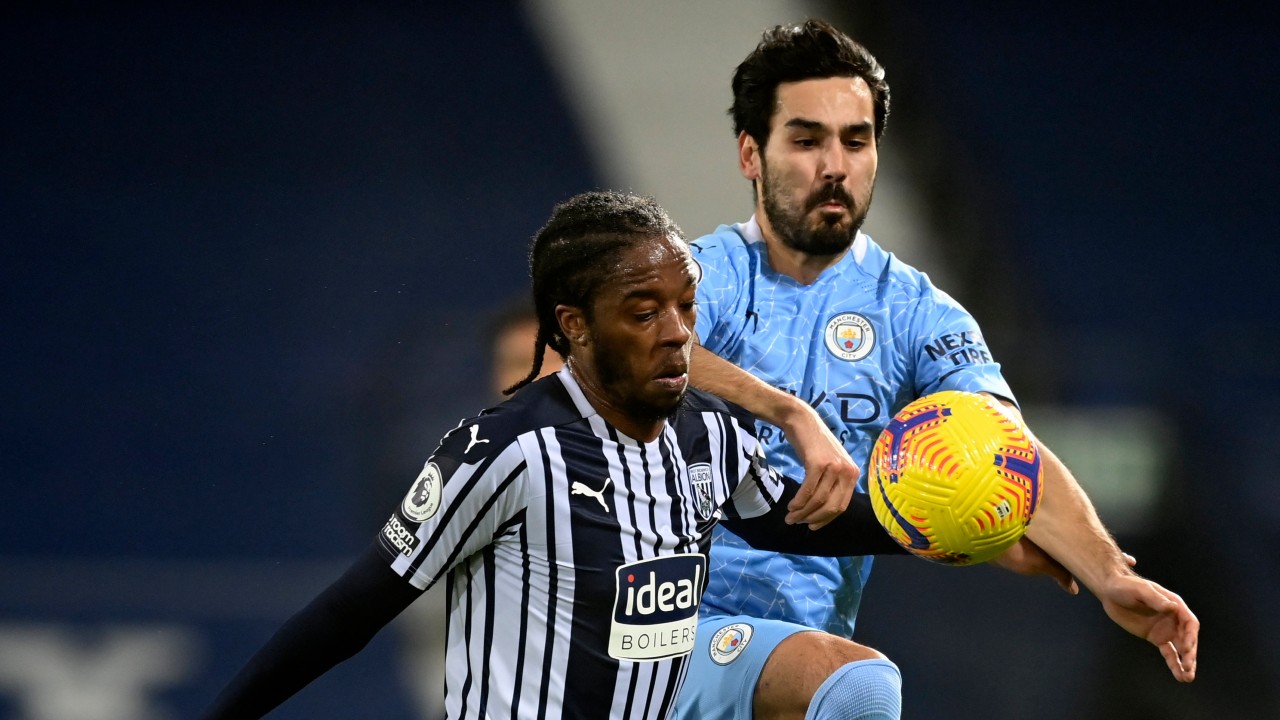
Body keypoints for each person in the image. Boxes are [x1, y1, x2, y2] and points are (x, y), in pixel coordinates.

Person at [200, 190, 1007, 720]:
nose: (676, 331)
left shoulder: (706, 435)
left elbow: (797, 525)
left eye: (686, 306)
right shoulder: (505, 450)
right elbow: (352, 611)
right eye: (643, 311)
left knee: (865, 686)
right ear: (575, 326)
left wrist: (937, 521)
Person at [673, 19, 1200, 720]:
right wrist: (786, 410)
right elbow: (624, 354)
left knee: (847, 685)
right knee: (862, 687)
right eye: (806, 140)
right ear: (750, 154)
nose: (835, 165)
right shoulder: (700, 275)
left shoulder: (918, 312)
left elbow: (1004, 450)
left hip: (800, 658)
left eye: (855, 141)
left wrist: (1105, 575)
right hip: (654, 628)